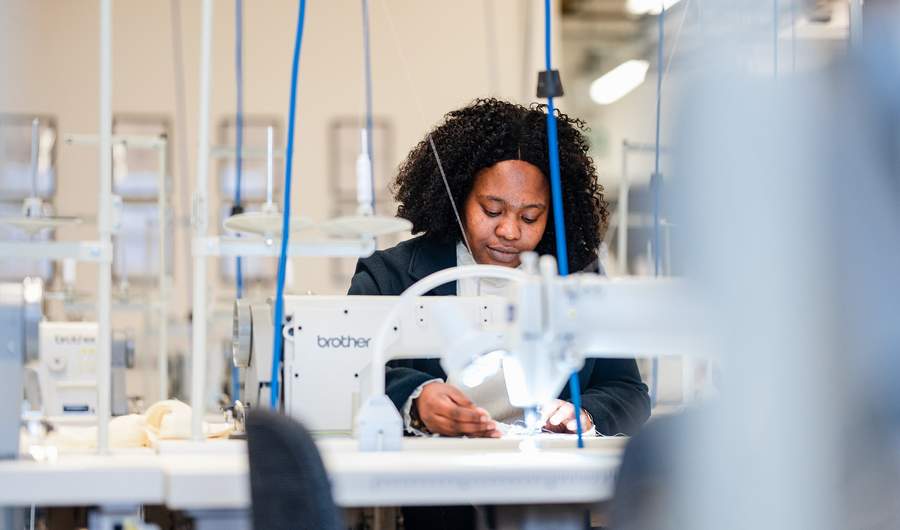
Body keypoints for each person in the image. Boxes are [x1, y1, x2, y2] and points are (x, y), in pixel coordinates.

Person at [349, 98, 650, 440]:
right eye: (492, 210)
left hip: (547, 483)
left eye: (530, 217)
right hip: (436, 483)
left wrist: (584, 413)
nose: (509, 231)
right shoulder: (391, 275)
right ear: (459, 197)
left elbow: (628, 390)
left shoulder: (579, 278)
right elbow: (353, 372)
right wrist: (416, 400)